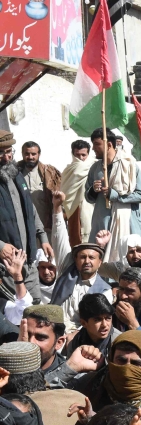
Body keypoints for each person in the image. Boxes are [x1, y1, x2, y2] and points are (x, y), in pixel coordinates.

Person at [53, 330, 141, 425]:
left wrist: (95, 421)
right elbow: (45, 395)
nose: (127, 369)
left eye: (136, 363)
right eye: (121, 360)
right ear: (111, 360)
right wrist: (72, 366)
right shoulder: (93, 382)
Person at [0, 130, 51, 301]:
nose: (6, 158)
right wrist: (0, 246)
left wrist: (42, 236)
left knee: (35, 307)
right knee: (13, 313)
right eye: (1, 152)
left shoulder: (16, 175)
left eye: (9, 152)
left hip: (28, 260)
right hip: (5, 266)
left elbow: (31, 210)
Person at [86, 129, 141, 263]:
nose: (93, 148)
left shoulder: (130, 165)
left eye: (97, 144)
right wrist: (93, 190)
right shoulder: (95, 168)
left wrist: (116, 196)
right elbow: (88, 197)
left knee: (127, 261)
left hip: (127, 222)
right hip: (102, 224)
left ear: (108, 145)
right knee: (100, 261)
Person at [49, 242, 113, 329]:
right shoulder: (66, 276)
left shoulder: (105, 290)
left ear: (99, 262)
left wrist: (74, 335)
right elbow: (58, 237)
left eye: (91, 257)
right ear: (76, 260)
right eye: (83, 257)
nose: (87, 261)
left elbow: (98, 322)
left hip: (82, 334)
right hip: (54, 328)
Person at [16, 142, 60, 238]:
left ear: (39, 154)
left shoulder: (50, 173)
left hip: (45, 225)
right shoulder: (14, 173)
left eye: (33, 154)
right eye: (27, 154)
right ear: (22, 154)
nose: (30, 157)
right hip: (23, 224)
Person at [62, 292, 120, 360]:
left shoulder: (119, 341)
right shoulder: (76, 342)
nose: (104, 325)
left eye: (108, 318)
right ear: (83, 323)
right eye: (97, 320)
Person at [20, 306, 68, 383]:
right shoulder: (6, 367)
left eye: (40, 337)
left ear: (58, 343)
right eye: (27, 335)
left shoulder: (70, 380)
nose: (31, 342)